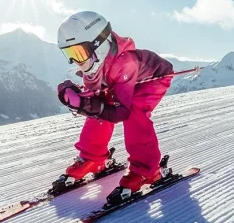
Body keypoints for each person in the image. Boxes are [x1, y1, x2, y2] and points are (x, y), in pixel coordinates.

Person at [55, 11, 174, 206]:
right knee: (100, 103)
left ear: (98, 45)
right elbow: (96, 104)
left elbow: (120, 112)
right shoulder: (93, 66)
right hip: (123, 82)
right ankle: (93, 158)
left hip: (152, 79)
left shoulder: (124, 62)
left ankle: (147, 170)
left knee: (135, 112)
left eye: (79, 53)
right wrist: (79, 100)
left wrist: (86, 104)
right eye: (69, 54)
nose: (76, 61)